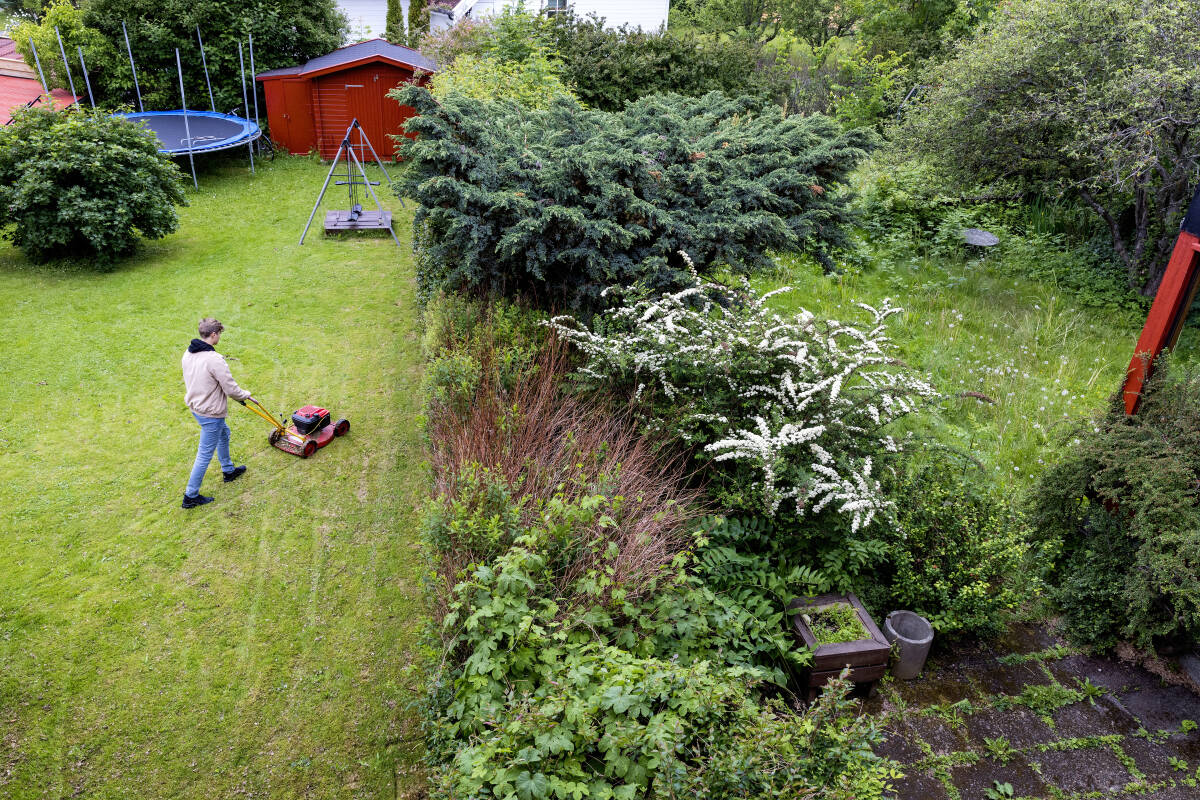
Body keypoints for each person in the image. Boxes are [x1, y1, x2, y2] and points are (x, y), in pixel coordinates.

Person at [181, 317, 252, 509]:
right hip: (211, 412)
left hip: (197, 407)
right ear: (213, 335)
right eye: (219, 334)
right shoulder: (214, 359)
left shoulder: (188, 353)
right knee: (204, 454)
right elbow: (231, 389)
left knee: (224, 433)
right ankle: (190, 496)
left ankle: (228, 471)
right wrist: (247, 395)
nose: (219, 337)